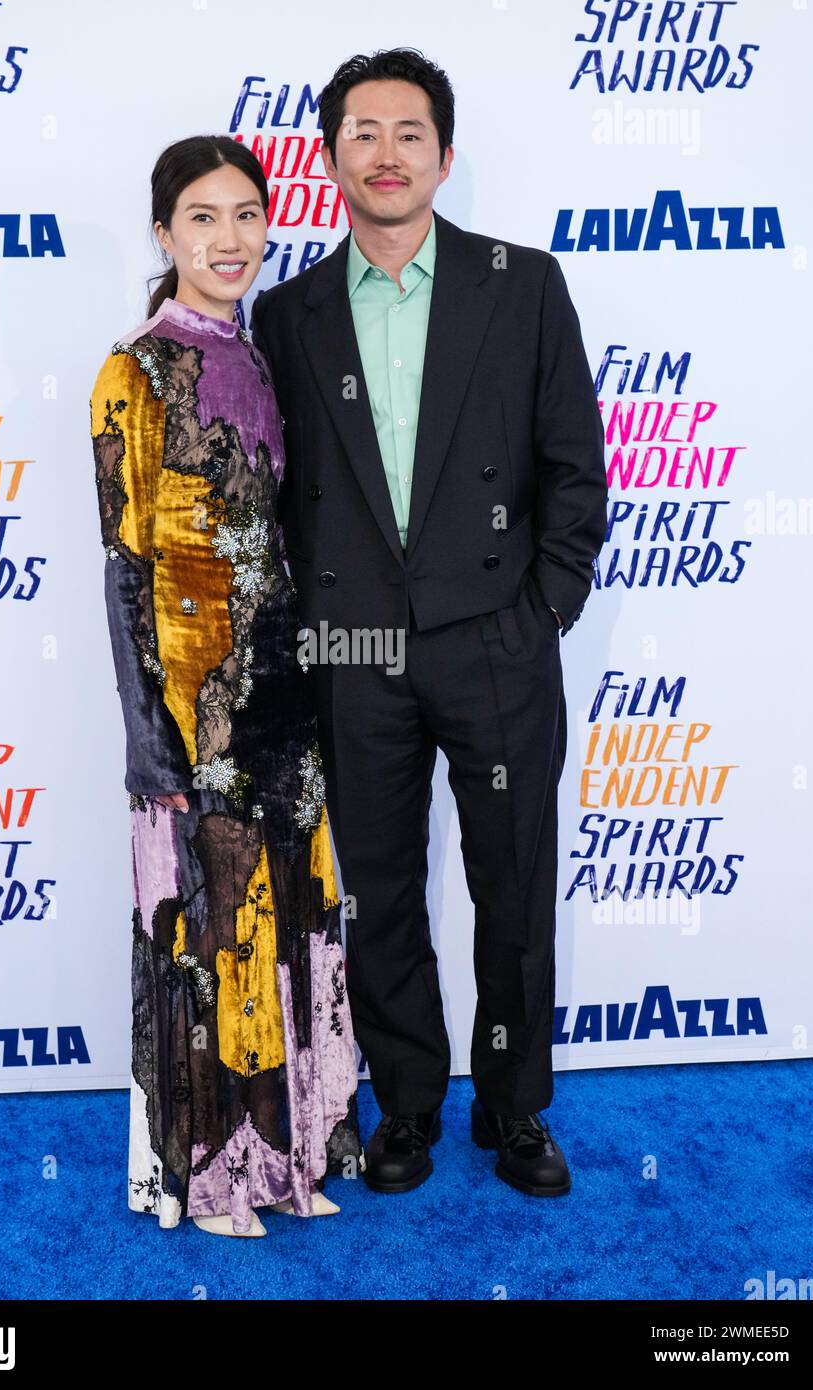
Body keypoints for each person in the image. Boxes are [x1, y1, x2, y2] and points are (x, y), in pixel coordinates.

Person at [250, 50, 608, 1198]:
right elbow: (279, 486)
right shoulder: (288, 312)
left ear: (445, 157)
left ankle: (513, 1109)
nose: (388, 152)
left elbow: (575, 466)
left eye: (411, 132)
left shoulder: (526, 284)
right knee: (381, 886)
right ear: (331, 157)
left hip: (494, 636)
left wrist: (544, 606)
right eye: (364, 132)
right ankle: (407, 1101)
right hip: (354, 650)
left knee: (513, 882)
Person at [88, 135, 362, 1238]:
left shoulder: (255, 356)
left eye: (247, 214)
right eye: (203, 217)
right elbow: (123, 567)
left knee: (289, 924)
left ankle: (287, 1157)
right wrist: (148, 737)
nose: (230, 237)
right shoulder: (136, 369)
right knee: (213, 935)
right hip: (190, 713)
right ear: (164, 234)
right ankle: (207, 1175)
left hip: (281, 694)